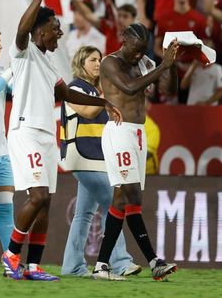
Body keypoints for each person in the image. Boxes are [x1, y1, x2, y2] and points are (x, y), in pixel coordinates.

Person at [7, 0, 118, 281]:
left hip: (45, 137)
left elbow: (65, 93)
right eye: (55, 28)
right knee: (38, 196)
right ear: (40, 30)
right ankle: (12, 253)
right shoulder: (24, 52)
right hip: (25, 132)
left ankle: (32, 266)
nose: (59, 34)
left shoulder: (47, 63)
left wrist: (103, 103)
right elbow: (21, 29)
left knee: (46, 204)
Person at [93, 23, 178, 281]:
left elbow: (169, 90)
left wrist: (170, 64)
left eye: (143, 51)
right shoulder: (111, 63)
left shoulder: (144, 63)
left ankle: (102, 266)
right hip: (119, 132)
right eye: (136, 50)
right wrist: (162, 66)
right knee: (129, 194)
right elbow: (129, 88)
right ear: (124, 39)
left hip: (137, 134)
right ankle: (153, 261)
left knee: (128, 199)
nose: (138, 55)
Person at [60, 46, 138, 278]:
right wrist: (107, 93)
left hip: (97, 157)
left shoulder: (97, 89)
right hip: (80, 154)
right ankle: (121, 262)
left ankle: (72, 267)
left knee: (83, 214)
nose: (97, 64)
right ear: (80, 63)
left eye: (99, 60)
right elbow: (88, 111)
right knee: (111, 204)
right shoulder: (75, 87)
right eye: (92, 59)